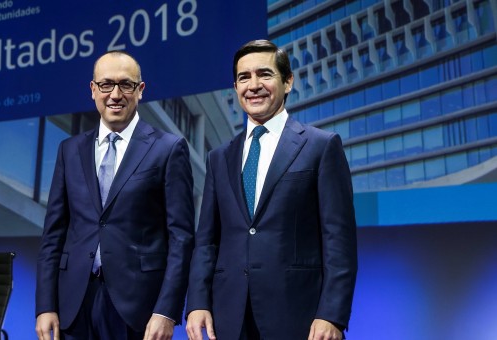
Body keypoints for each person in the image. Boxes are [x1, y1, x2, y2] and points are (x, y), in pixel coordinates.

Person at [185, 39, 358, 340]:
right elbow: (207, 241)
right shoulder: (219, 157)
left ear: (288, 81)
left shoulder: (321, 146)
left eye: (264, 74)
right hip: (229, 318)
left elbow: (338, 239)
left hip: (299, 318)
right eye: (244, 77)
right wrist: (197, 302)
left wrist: (332, 313)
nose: (253, 85)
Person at [35, 50, 195, 340]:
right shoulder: (69, 150)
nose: (115, 94)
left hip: (138, 310)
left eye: (126, 84)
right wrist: (45, 306)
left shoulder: (169, 148)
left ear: (141, 90)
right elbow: (53, 235)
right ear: (93, 90)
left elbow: (181, 238)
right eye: (106, 84)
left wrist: (166, 311)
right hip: (73, 303)